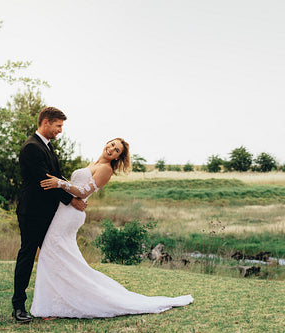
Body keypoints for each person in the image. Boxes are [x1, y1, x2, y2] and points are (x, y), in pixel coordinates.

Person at [30, 138, 193, 318]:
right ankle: (57, 303)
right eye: (112, 145)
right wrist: (61, 183)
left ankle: (58, 305)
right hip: (66, 209)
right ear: (106, 143)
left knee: (52, 252)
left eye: (116, 150)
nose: (111, 149)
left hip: (70, 215)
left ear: (117, 157)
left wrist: (59, 183)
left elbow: (84, 191)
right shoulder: (94, 163)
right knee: (58, 254)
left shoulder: (106, 169)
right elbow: (75, 187)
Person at [12, 106, 87, 323]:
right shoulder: (31, 148)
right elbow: (45, 181)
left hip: (47, 212)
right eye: (58, 126)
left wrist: (76, 190)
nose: (60, 130)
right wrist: (71, 199)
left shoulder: (47, 146)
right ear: (46, 122)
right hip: (32, 212)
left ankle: (53, 303)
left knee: (53, 256)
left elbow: (57, 177)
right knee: (27, 255)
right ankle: (18, 306)